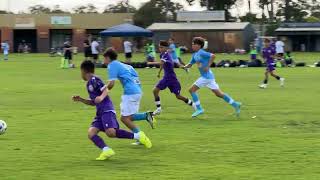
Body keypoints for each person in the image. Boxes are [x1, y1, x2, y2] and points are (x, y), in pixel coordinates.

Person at [72, 61, 151, 160]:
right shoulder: (89, 84)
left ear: (84, 71)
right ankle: (106, 150)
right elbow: (93, 102)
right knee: (91, 133)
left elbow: (105, 90)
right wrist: (81, 100)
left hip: (107, 109)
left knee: (111, 133)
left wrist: (101, 97)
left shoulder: (95, 79)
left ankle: (138, 136)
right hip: (100, 112)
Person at [103, 48, 155, 146]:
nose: (103, 61)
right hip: (137, 91)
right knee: (129, 117)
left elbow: (111, 84)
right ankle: (146, 116)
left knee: (124, 118)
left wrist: (103, 91)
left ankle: (141, 136)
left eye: (104, 59)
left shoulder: (112, 65)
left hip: (130, 93)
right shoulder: (127, 65)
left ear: (108, 58)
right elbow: (136, 78)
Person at [183, 37, 242, 117]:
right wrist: (185, 67)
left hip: (206, 77)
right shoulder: (195, 55)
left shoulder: (202, 52)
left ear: (199, 45)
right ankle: (235, 104)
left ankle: (199, 109)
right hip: (209, 77)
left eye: (194, 44)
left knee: (191, 90)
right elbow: (190, 64)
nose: (192, 46)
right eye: (192, 44)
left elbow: (213, 56)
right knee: (219, 94)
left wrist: (208, 65)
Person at [147, 40, 196, 115]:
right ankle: (159, 109)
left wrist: (150, 63)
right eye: (159, 47)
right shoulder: (162, 55)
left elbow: (161, 63)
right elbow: (163, 64)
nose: (160, 48)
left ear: (166, 48)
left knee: (178, 96)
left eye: (161, 47)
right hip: (167, 77)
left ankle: (193, 104)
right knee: (155, 91)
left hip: (170, 78)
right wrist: (159, 72)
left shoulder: (166, 55)